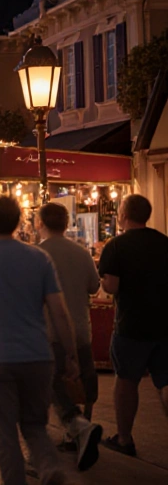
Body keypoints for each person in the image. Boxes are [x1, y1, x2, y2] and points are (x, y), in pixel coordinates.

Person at [0, 195, 78, 485]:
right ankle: (48, 466)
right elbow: (59, 312)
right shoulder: (39, 258)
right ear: (19, 222)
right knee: (35, 425)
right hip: (37, 356)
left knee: (4, 433)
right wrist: (71, 354)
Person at [97, 194, 168, 458]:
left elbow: (111, 286)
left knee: (127, 381)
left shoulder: (116, 246)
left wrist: (103, 282)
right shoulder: (164, 243)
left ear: (123, 215)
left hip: (131, 326)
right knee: (166, 380)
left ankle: (124, 438)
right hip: (164, 324)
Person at [36, 202, 103, 470]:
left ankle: (77, 427)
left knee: (54, 383)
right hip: (81, 328)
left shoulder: (37, 254)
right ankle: (80, 428)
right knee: (85, 382)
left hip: (50, 331)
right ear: (66, 224)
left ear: (40, 223)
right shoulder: (81, 253)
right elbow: (95, 286)